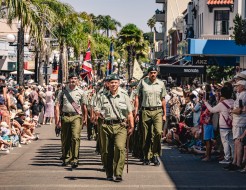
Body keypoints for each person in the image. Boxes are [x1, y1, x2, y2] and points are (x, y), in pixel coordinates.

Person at [95, 74, 134, 182]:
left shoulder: (124, 95)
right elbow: (96, 109)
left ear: (119, 83)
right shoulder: (102, 95)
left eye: (116, 82)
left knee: (120, 148)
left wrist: (132, 125)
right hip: (106, 125)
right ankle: (109, 172)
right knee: (106, 151)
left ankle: (118, 173)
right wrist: (98, 113)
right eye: (111, 82)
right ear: (108, 84)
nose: (113, 84)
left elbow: (130, 112)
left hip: (120, 126)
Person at [134, 65, 167, 166]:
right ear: (148, 74)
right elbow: (137, 97)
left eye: (155, 72)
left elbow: (163, 100)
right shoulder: (142, 83)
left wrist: (165, 114)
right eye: (151, 73)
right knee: (146, 135)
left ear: (157, 73)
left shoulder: (161, 84)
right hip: (145, 111)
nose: (153, 74)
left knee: (157, 132)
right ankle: (146, 156)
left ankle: (155, 155)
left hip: (157, 111)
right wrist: (136, 111)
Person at [55, 73, 88, 168]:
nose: (73, 80)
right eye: (71, 78)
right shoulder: (62, 92)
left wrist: (85, 118)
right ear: (68, 80)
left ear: (77, 80)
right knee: (65, 138)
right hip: (65, 116)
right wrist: (57, 120)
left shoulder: (81, 92)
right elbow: (57, 106)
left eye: (75, 78)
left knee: (75, 137)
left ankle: (75, 159)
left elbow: (84, 106)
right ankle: (66, 158)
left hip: (76, 116)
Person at [224, 80, 246, 170]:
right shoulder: (240, 95)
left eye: (238, 86)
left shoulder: (243, 95)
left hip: (240, 121)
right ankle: (235, 162)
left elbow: (239, 110)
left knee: (238, 142)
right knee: (236, 141)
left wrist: (231, 111)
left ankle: (237, 163)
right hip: (237, 121)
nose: (236, 87)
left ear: (243, 86)